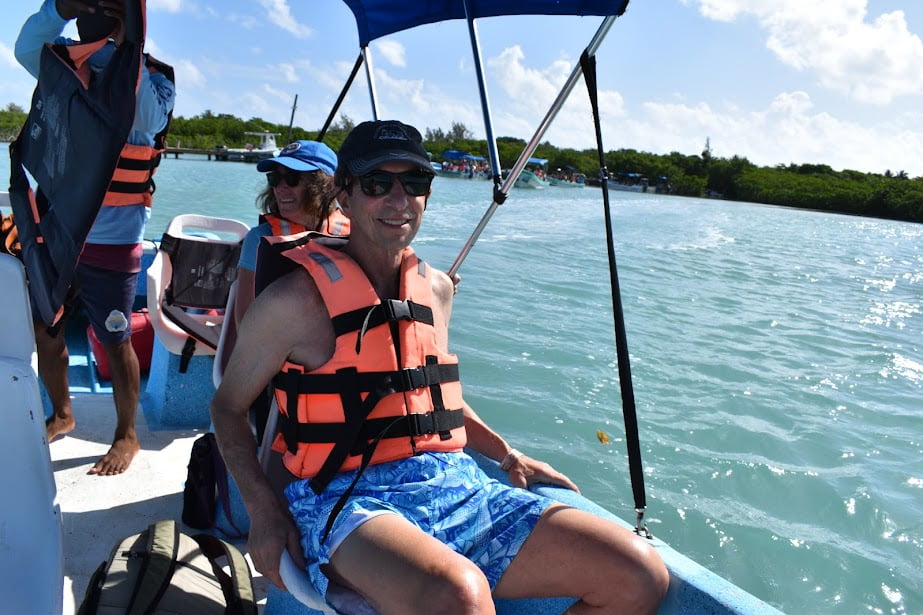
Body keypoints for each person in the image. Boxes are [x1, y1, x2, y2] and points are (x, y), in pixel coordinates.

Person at [211, 120, 669, 613]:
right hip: (345, 502)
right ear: (343, 195)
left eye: (414, 182)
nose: (398, 198)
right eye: (376, 183)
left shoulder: (437, 290)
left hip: (456, 484)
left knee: (639, 573)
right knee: (461, 596)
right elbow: (228, 407)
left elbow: (431, 397)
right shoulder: (291, 303)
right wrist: (262, 509)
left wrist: (507, 454)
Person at [15, 0, 176, 475]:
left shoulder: (157, 77)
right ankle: (63, 413)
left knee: (114, 336)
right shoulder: (60, 60)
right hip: (59, 231)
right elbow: (25, 46)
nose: (104, 9)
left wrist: (130, 45)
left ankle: (126, 434)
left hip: (114, 238)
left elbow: (146, 118)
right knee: (46, 328)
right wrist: (58, 9)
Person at [235, 140, 347, 330]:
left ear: (326, 184)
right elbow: (245, 323)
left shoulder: (357, 237)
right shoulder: (259, 239)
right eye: (275, 179)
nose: (280, 188)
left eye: (292, 178)